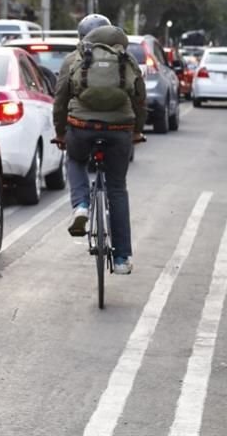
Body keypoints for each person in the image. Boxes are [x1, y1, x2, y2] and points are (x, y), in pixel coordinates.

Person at [52, 14, 146, 275]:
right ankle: (122, 259)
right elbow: (140, 97)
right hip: (119, 130)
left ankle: (81, 205)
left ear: (81, 36)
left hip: (81, 128)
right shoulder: (126, 58)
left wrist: (61, 133)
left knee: (75, 159)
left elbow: (60, 100)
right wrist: (137, 131)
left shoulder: (74, 59)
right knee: (117, 188)